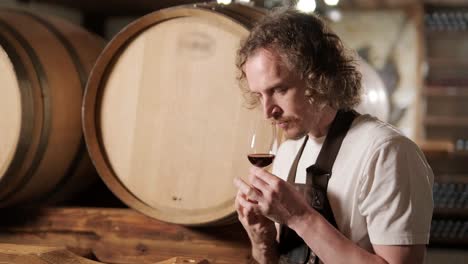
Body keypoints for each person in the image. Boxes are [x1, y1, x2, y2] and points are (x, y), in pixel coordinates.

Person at [233, 8, 433, 264]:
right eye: (260, 95)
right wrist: (262, 242)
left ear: (319, 78)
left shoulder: (386, 152)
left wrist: (299, 217)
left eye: (279, 89)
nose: (267, 112)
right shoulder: (287, 152)